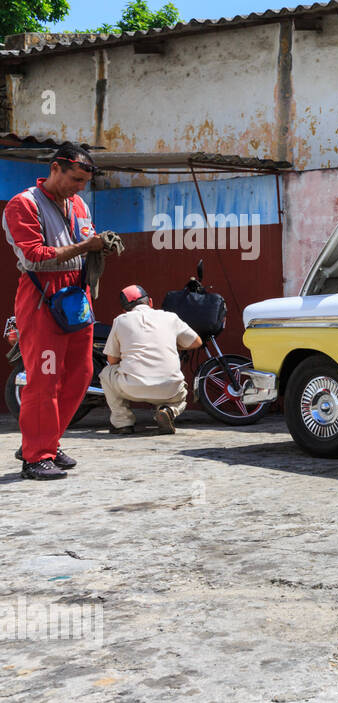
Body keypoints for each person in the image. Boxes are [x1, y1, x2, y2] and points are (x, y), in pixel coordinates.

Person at [2, 144, 105, 480]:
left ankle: (47, 440)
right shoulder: (24, 204)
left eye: (84, 182)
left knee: (81, 374)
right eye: (75, 179)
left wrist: (101, 245)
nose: (79, 188)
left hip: (77, 295)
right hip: (41, 296)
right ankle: (35, 457)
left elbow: (87, 239)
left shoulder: (78, 204)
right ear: (55, 168)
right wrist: (85, 247)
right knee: (44, 379)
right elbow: (32, 255)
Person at [101, 285, 202, 434]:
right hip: (169, 388)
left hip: (133, 388)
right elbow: (197, 342)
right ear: (151, 302)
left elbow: (112, 360)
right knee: (181, 393)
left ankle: (122, 423)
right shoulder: (170, 317)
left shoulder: (120, 320)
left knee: (106, 373)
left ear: (125, 310)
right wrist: (173, 346)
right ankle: (168, 410)